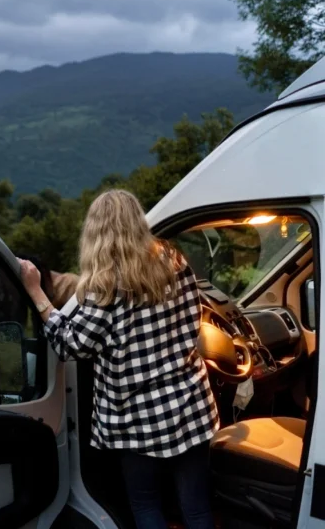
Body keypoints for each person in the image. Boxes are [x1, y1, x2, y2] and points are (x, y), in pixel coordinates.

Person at [19, 189, 219, 529]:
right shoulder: (174, 261)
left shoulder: (105, 289)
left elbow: (70, 344)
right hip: (191, 407)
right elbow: (192, 320)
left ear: (96, 233)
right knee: (197, 509)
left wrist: (37, 292)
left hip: (138, 422)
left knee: (146, 507)